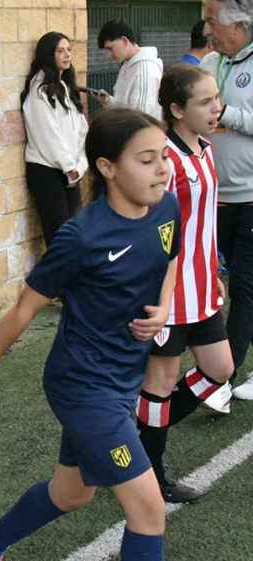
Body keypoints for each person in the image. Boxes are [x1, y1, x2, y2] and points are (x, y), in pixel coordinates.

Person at [0, 108, 180, 561]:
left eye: (163, 156)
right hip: (83, 386)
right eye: (146, 160)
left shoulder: (166, 206)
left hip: (123, 378)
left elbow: (169, 259)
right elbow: (25, 307)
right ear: (107, 168)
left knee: (72, 494)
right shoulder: (81, 237)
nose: (162, 168)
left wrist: (163, 307)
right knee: (148, 510)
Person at [137, 65, 235, 506]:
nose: (216, 108)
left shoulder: (206, 149)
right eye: (204, 101)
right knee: (161, 382)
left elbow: (203, 224)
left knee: (221, 370)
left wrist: (212, 268)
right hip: (166, 292)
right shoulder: (163, 158)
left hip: (201, 286)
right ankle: (152, 474)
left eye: (216, 98)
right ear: (177, 109)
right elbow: (146, 223)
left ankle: (135, 435)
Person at [201, 0, 253, 400]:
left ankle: (223, 379)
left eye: (212, 21)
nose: (207, 30)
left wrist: (226, 114)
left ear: (239, 25)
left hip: (251, 196)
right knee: (215, 284)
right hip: (215, 197)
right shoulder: (210, 63)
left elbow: (234, 116)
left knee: (245, 288)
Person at [21, 32, 89, 247]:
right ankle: (58, 280)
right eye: (60, 51)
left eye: (69, 50)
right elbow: (48, 135)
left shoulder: (67, 89)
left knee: (76, 233)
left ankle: (71, 280)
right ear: (48, 55)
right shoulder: (39, 91)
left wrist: (80, 165)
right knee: (60, 238)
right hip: (48, 171)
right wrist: (70, 166)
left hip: (71, 171)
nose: (67, 55)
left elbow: (81, 132)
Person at [94, 19, 164, 120]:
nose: (109, 55)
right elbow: (126, 107)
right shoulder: (128, 64)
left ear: (124, 41)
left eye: (110, 48)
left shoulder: (144, 70)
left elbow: (141, 120)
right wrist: (108, 101)